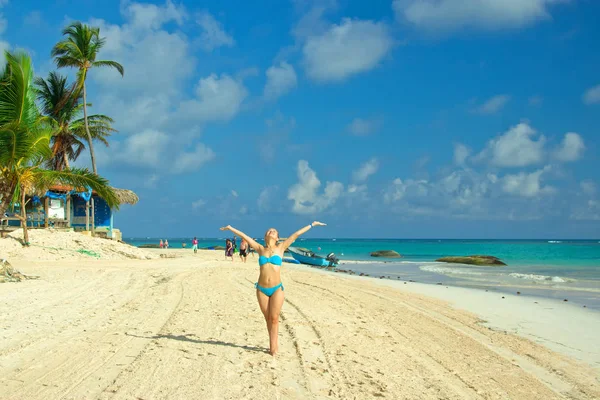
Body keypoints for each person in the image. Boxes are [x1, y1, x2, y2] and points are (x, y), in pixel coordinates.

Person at [220, 221, 326, 356]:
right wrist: (230, 228)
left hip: (277, 289)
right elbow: (245, 237)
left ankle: (273, 349)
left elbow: (296, 234)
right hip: (261, 289)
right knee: (268, 319)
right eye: (269, 230)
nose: (271, 231)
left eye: (274, 231)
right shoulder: (260, 248)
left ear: (277, 238)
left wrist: (312, 225)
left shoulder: (281, 247)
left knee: (274, 318)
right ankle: (272, 346)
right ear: (265, 237)